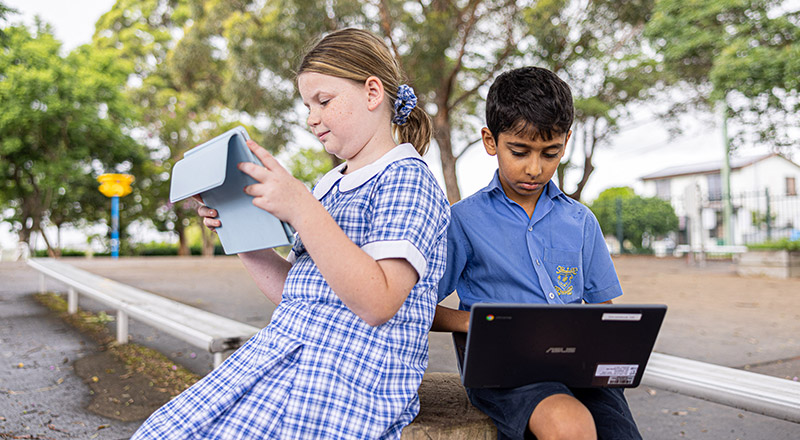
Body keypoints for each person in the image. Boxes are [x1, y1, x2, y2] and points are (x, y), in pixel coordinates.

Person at [132, 28, 450, 439]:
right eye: (306, 105)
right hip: (286, 354)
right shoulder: (330, 184)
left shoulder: (407, 180)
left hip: (349, 377)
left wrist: (302, 207)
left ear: (373, 93)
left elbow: (378, 302)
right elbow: (297, 295)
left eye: (324, 100)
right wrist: (240, 231)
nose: (311, 117)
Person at [431, 67, 640, 440]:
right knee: (567, 424)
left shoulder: (580, 220)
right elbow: (417, 305)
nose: (535, 168)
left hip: (577, 367)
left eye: (551, 153)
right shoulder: (462, 220)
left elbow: (602, 307)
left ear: (566, 142)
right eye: (520, 151)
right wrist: (482, 323)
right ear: (490, 140)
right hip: (505, 369)